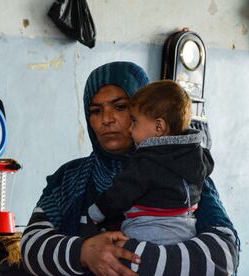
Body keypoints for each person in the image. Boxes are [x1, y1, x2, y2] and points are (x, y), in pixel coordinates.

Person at [20, 61, 239, 275]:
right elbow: (30, 246)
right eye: (96, 111)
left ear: (150, 115)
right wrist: (85, 253)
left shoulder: (185, 172)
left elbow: (224, 256)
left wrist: (139, 259)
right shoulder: (68, 178)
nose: (107, 119)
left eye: (120, 107)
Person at [88, 80, 214, 245]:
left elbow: (119, 195)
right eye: (96, 111)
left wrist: (94, 213)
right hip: (186, 233)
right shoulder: (198, 155)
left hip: (145, 235)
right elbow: (209, 166)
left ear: (159, 127)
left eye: (134, 121)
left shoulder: (145, 162)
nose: (130, 128)